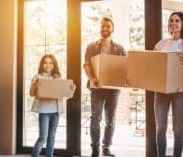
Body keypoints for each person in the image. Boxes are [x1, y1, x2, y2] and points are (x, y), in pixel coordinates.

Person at [154, 12, 183, 157]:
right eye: (171, 20)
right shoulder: (161, 44)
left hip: (180, 93)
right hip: (161, 91)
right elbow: (152, 66)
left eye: (177, 21)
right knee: (160, 128)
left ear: (182, 24)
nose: (173, 23)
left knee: (177, 129)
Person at [83, 17, 126, 157]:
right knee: (95, 118)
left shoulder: (119, 48)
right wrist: (91, 79)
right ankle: (95, 148)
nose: (105, 28)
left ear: (112, 29)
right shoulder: (91, 47)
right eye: (103, 26)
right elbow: (87, 65)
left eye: (108, 26)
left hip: (113, 89)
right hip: (97, 88)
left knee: (110, 119)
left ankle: (106, 147)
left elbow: (124, 68)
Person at [30, 54, 76, 157]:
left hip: (56, 112)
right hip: (44, 112)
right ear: (42, 64)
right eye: (45, 62)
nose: (48, 65)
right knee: (43, 137)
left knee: (52, 137)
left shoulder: (58, 77)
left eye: (51, 63)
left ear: (54, 65)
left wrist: (71, 89)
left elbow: (64, 95)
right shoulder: (37, 77)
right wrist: (35, 85)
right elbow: (31, 93)